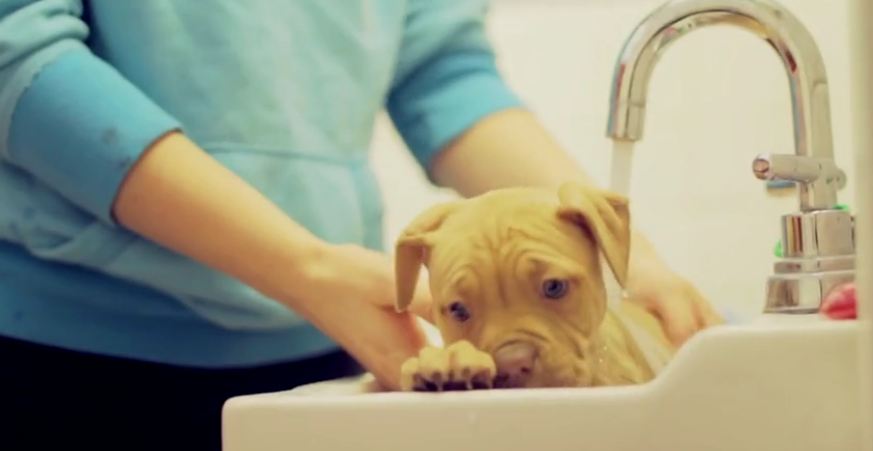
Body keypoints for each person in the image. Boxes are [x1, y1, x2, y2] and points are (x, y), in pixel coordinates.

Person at [1, 1, 722, 449]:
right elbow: (18, 49)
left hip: (326, 345)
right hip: (72, 353)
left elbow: (441, 69)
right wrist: (302, 268)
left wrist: (632, 257)